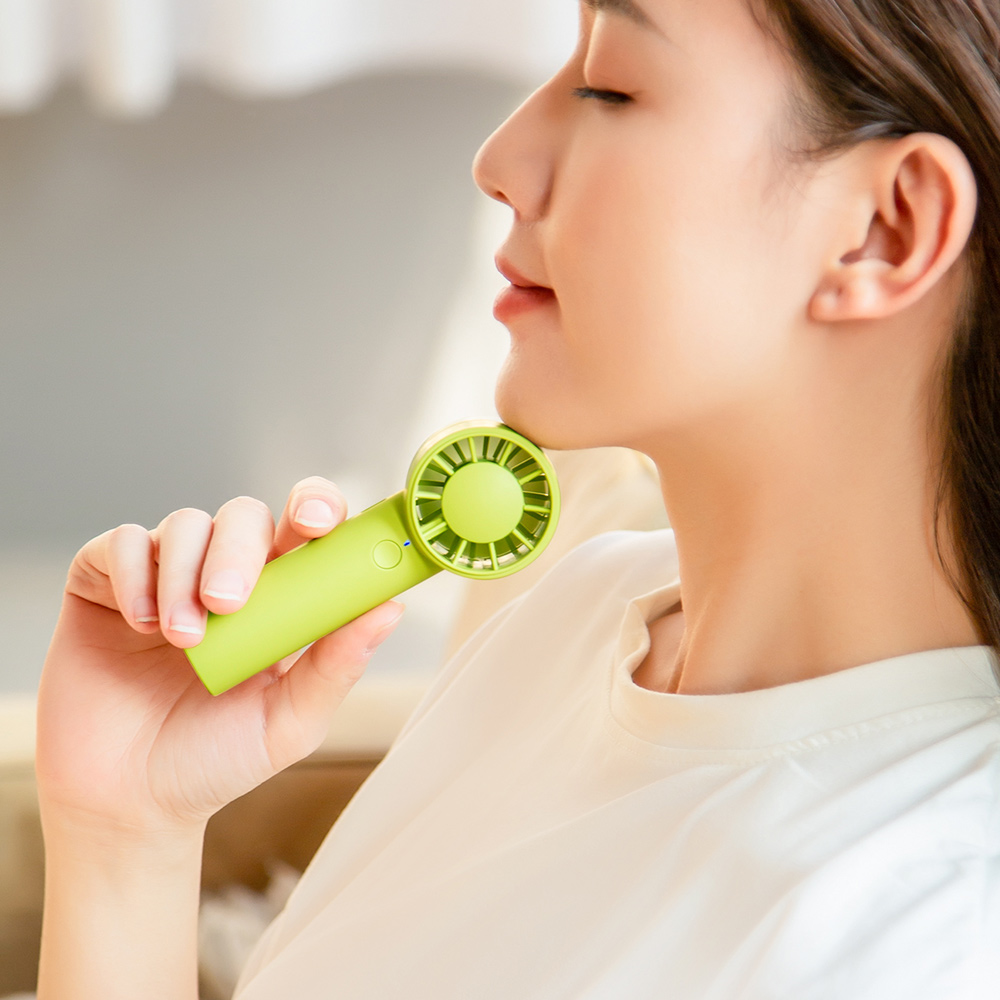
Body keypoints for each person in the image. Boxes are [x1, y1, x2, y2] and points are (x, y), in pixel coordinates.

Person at [34, 0, 1000, 996]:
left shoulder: (926, 935)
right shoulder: (571, 616)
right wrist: (123, 834)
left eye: (610, 85)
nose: (497, 159)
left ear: (886, 230)